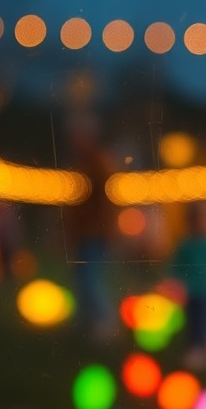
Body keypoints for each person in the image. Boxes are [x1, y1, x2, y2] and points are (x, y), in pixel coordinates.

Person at [63, 117, 118, 341]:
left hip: (94, 234)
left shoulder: (98, 164)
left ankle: (103, 322)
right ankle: (88, 323)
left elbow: (106, 204)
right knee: (83, 279)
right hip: (85, 233)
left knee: (90, 278)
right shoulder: (85, 164)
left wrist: (104, 229)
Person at [169, 201, 206, 363]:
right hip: (190, 291)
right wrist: (176, 284)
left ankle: (203, 347)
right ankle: (194, 348)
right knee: (192, 320)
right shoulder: (186, 245)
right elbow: (177, 266)